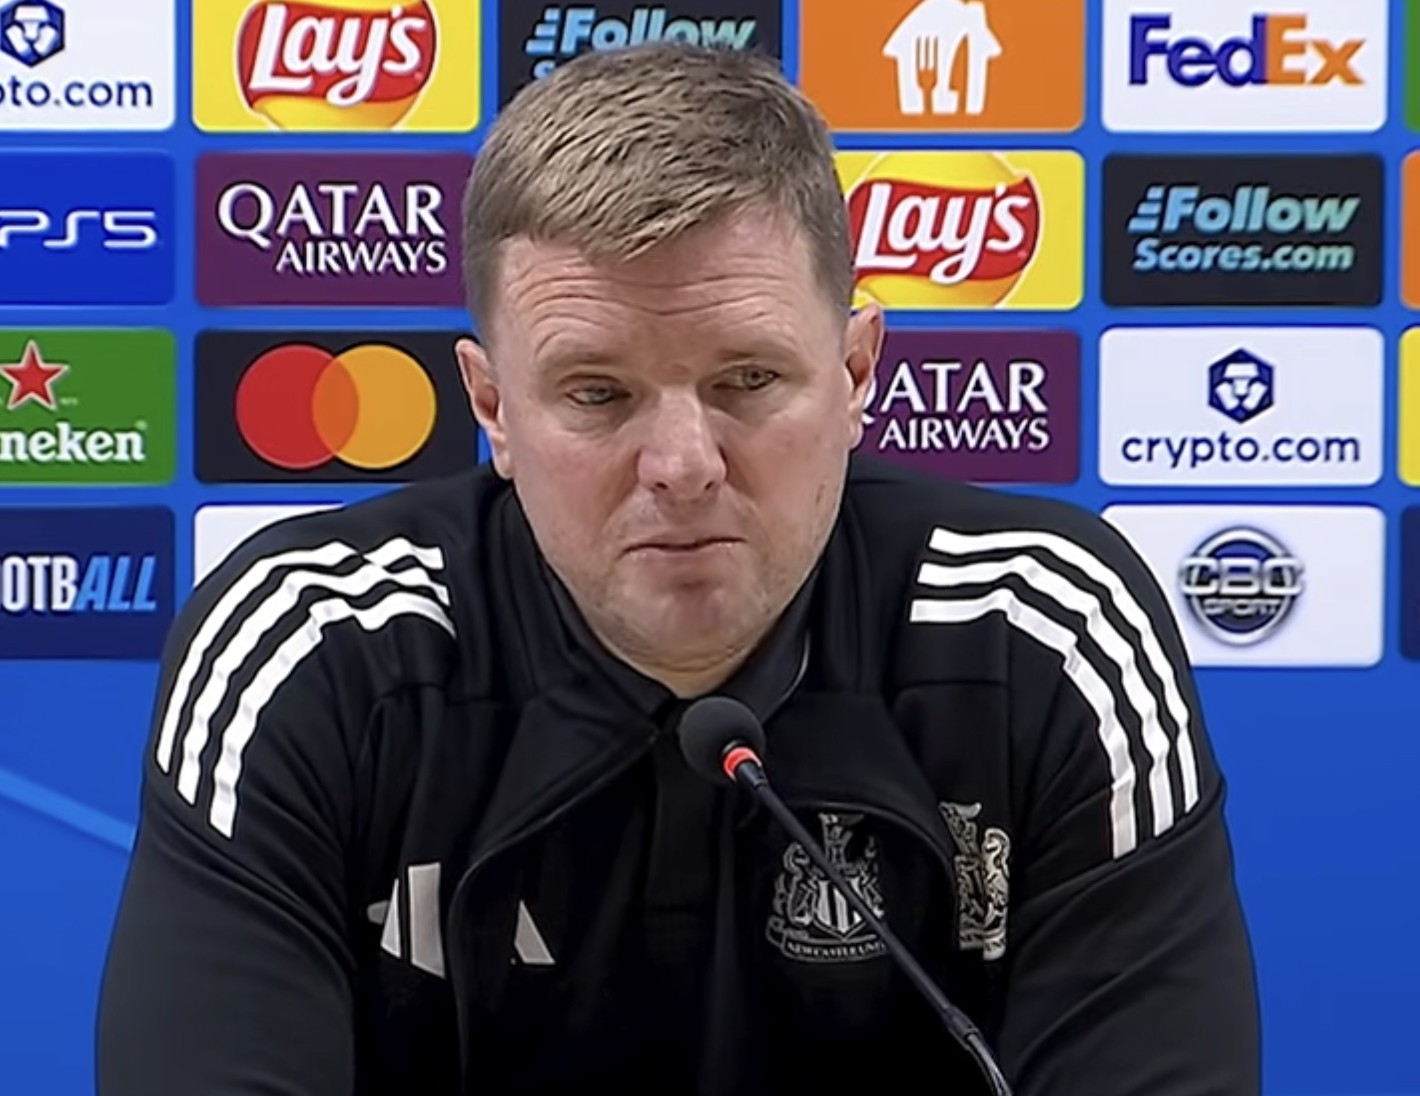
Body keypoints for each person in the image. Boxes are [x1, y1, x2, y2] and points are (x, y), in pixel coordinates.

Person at [96, 42, 1260, 1096]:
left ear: (857, 373)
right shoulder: (311, 646)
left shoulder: (1047, 630)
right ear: (492, 408)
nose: (684, 465)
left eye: (747, 380)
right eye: (597, 393)